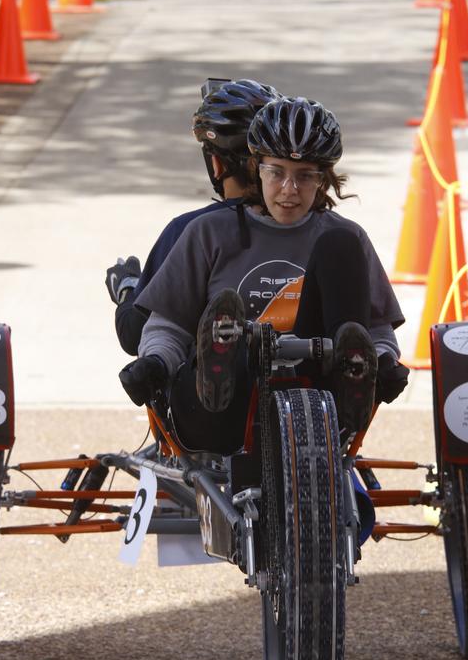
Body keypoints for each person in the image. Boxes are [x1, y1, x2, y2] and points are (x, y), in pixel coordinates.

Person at [120, 96, 409, 453]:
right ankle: (224, 352)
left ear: (323, 180)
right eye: (277, 173)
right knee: (236, 340)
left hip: (313, 400)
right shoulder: (209, 232)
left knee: (340, 243)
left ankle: (348, 374)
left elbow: (376, 328)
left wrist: (383, 358)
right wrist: (156, 362)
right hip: (220, 412)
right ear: (256, 168)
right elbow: (169, 325)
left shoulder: (345, 238)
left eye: (305, 177)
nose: (289, 190)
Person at [109, 77, 280, 355]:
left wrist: (127, 288)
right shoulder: (312, 226)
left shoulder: (191, 229)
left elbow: (134, 334)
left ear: (216, 163)